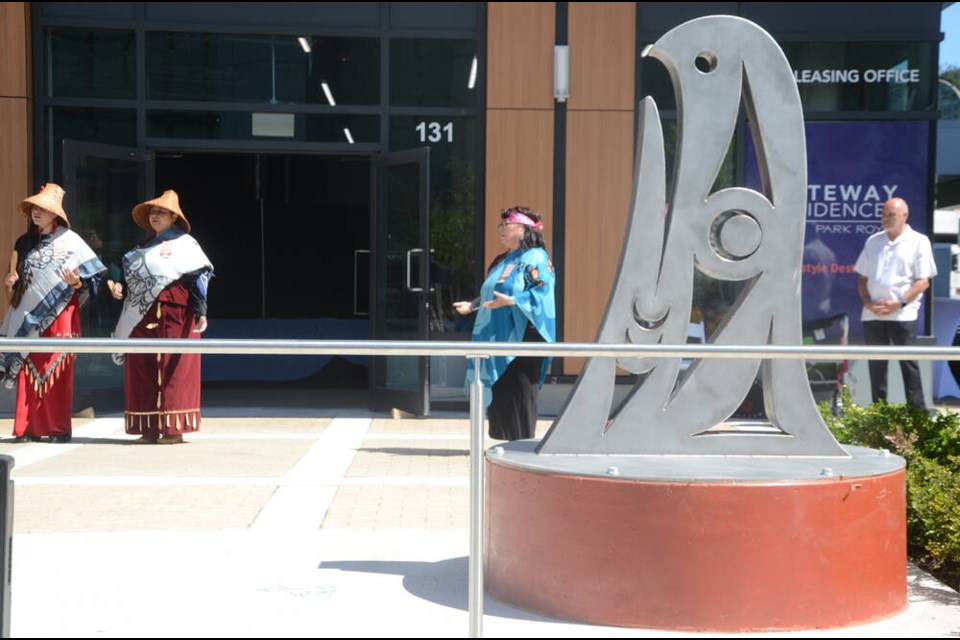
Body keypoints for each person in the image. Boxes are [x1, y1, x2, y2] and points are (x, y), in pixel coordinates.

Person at [0, 183, 106, 443]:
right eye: (34, 208)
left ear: (55, 213)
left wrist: (75, 283)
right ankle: (27, 428)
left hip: (62, 316)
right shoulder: (23, 243)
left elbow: (91, 283)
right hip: (26, 316)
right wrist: (10, 284)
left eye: (43, 208)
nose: (37, 212)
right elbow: (15, 287)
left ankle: (58, 428)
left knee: (57, 372)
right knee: (28, 369)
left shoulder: (72, 242)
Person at [108, 190, 213, 444]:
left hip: (175, 312)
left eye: (161, 213)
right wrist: (115, 282)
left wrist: (201, 310)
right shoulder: (140, 249)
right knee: (141, 366)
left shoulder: (186, 244)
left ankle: (173, 429)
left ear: (173, 218)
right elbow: (119, 267)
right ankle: (147, 427)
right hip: (140, 315)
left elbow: (199, 277)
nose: (155, 216)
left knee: (173, 367)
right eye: (152, 213)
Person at [453, 206, 556, 441]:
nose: (500, 230)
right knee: (502, 390)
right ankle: (504, 441)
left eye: (505, 226)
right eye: (500, 226)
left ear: (523, 229)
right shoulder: (502, 259)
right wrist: (472, 306)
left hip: (525, 337)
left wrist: (513, 301)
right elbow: (494, 294)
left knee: (518, 390)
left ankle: (522, 443)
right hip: (497, 335)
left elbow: (544, 292)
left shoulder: (536, 257)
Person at [854, 196, 937, 409]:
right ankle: (879, 415)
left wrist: (898, 303)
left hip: (902, 314)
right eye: (884, 214)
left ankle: (917, 416)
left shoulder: (918, 241)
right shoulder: (873, 241)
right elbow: (862, 278)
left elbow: (923, 281)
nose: (886, 218)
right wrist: (868, 303)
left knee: (908, 365)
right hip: (873, 314)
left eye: (892, 214)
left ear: (905, 216)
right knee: (876, 366)